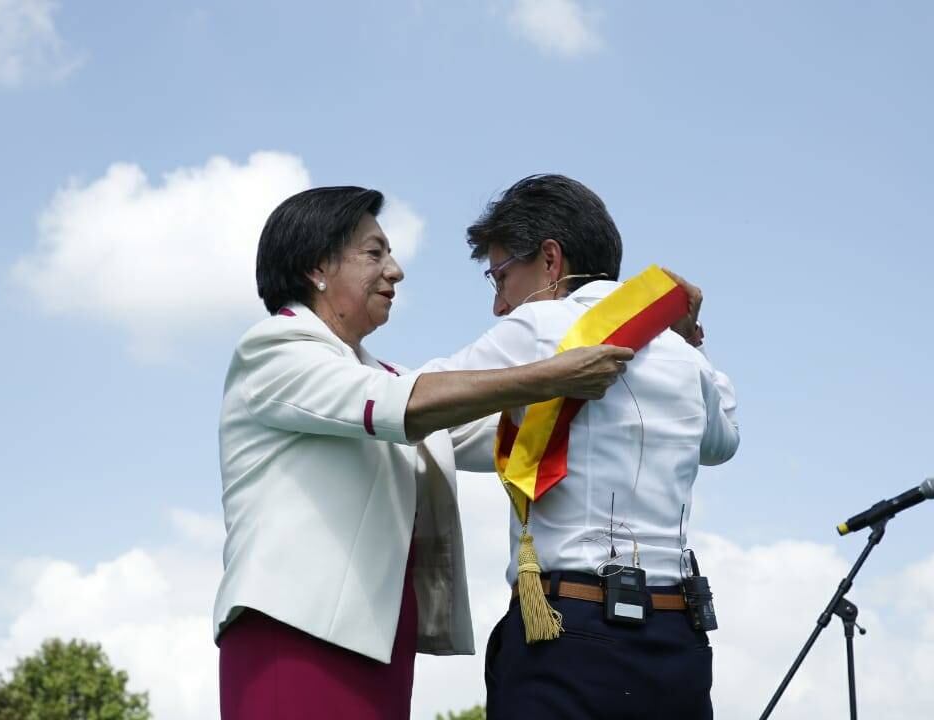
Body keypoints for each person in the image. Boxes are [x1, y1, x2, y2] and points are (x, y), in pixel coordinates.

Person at [213, 185, 635, 720]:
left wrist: (650, 336)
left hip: (381, 648)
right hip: (294, 636)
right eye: (374, 252)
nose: (396, 269)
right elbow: (401, 406)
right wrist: (544, 375)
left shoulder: (384, 376)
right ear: (317, 266)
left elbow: (501, 432)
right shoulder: (273, 349)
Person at [422, 174, 740, 719]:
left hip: (569, 631)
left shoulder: (538, 327)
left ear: (550, 260)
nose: (499, 304)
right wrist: (688, 342)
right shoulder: (682, 355)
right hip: (677, 637)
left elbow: (417, 405)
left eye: (500, 276)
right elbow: (722, 442)